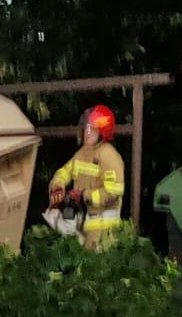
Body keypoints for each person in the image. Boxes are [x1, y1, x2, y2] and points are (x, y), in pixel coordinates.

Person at [47, 105, 129, 248]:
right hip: (86, 221)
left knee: (97, 259)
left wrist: (85, 195)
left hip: (105, 228)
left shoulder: (109, 155)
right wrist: (58, 185)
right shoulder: (81, 154)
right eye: (86, 127)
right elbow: (65, 171)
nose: (87, 132)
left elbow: (114, 191)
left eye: (92, 128)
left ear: (102, 132)